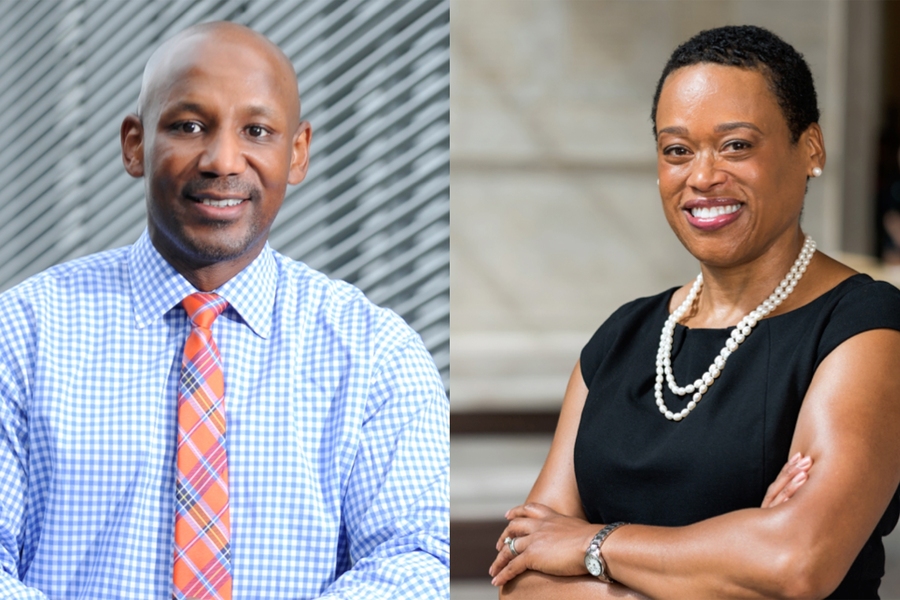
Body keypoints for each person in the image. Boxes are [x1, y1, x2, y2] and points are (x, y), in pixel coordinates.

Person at [0, 21, 448, 600]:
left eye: (256, 131)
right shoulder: (22, 336)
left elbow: (418, 557)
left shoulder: (375, 355)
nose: (222, 160)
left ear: (297, 153)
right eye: (189, 126)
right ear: (135, 144)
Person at [488, 25, 900, 599]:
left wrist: (590, 547)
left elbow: (796, 560)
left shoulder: (865, 326)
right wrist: (724, 567)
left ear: (810, 149)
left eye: (736, 145)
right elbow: (519, 577)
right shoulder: (622, 338)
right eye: (677, 150)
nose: (702, 177)